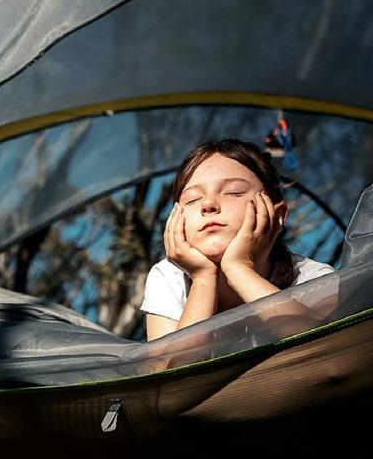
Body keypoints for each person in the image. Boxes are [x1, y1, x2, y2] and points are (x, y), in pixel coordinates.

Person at [141, 139, 332, 341]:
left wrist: (239, 268)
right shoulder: (169, 277)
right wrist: (203, 278)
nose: (208, 204)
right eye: (193, 199)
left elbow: (323, 347)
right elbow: (173, 361)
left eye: (234, 192)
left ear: (277, 215)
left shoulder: (313, 278)